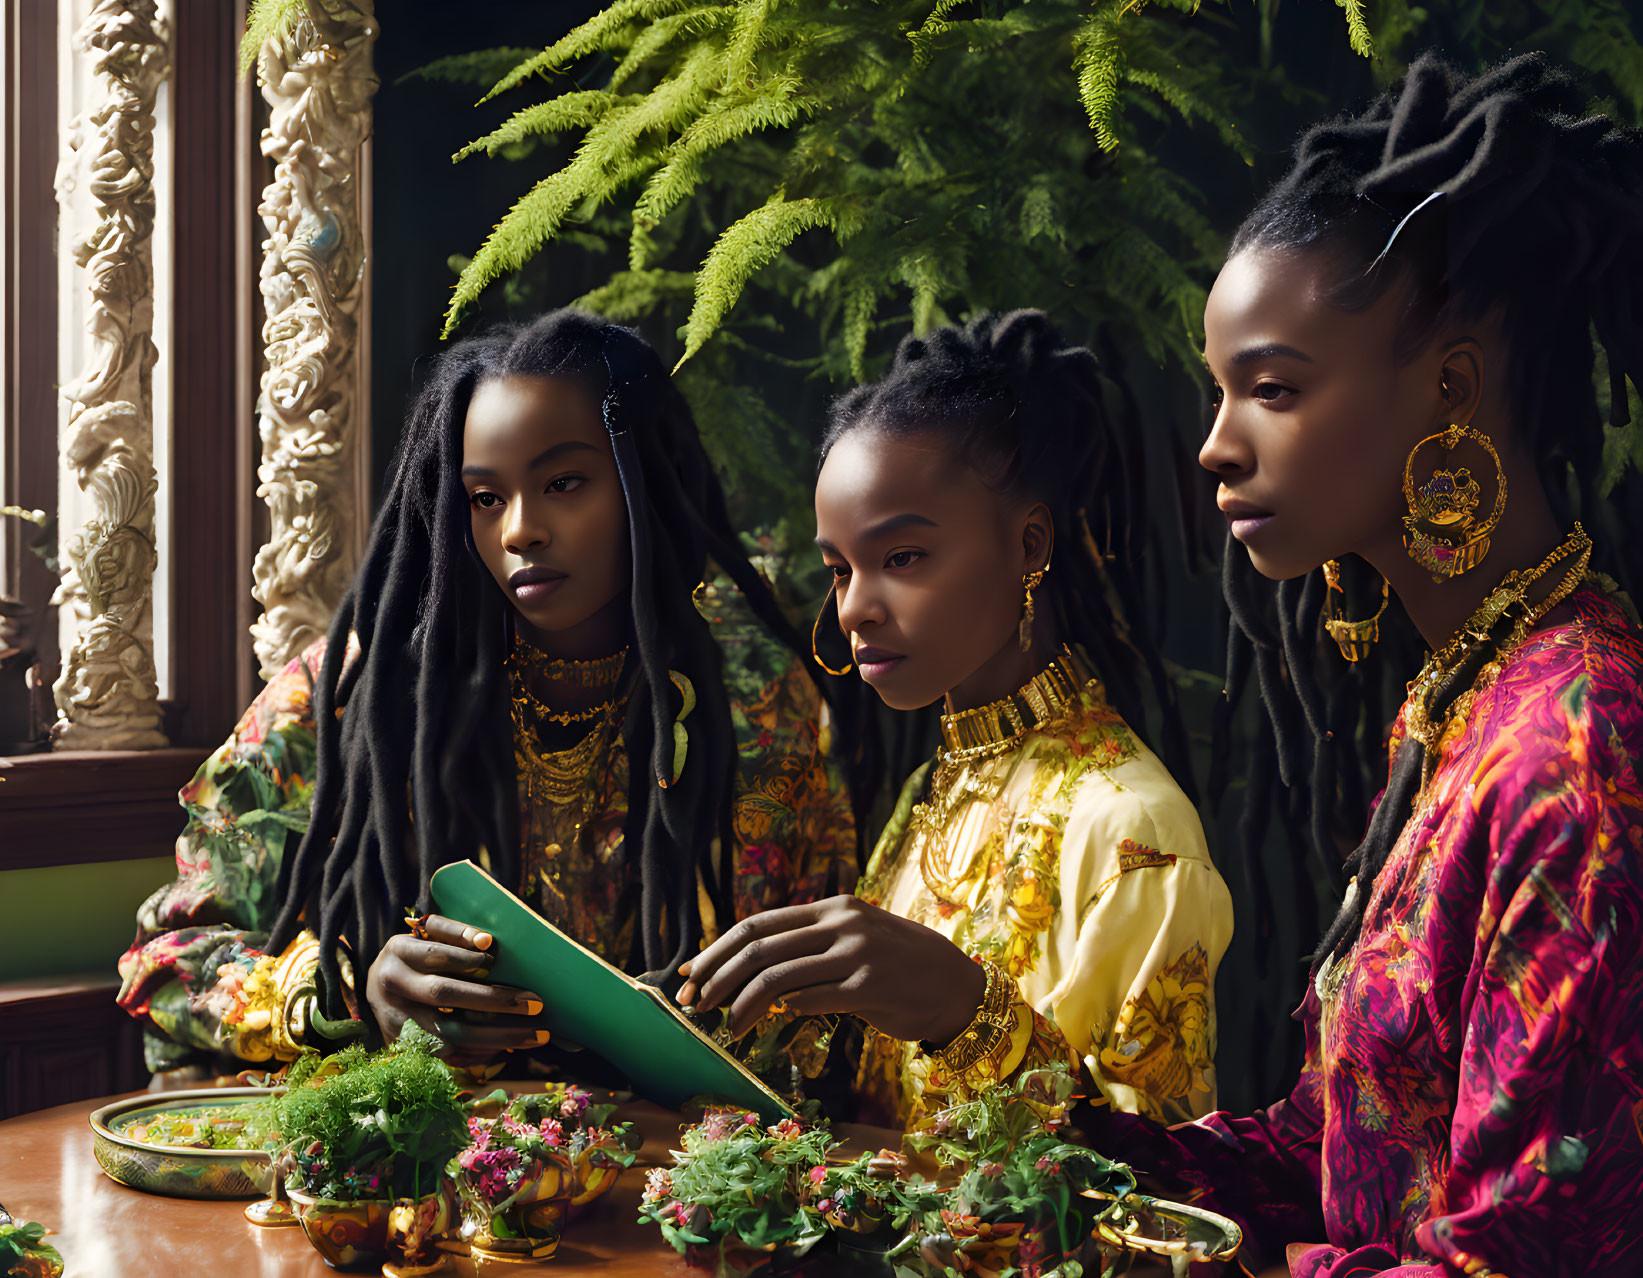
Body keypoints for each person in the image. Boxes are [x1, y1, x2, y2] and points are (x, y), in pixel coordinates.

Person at [1089, 54, 1643, 1278]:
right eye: (1216, 391)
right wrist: (1062, 1163)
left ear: (1449, 386)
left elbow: (1524, 1255)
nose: (1212, 448)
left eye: (1270, 390)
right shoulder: (1456, 702)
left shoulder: (1575, 751)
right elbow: (1344, 1151)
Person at [117, 310, 857, 1077]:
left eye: (564, 483)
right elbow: (166, 959)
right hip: (398, 1169)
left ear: (648, 483)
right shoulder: (356, 692)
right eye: (484, 497)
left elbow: (815, 1010)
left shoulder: (752, 701)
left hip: (670, 1175)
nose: (520, 531)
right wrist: (344, 997)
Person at [677, 310, 1233, 1126]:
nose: (856, 608)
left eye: (901, 558)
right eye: (840, 569)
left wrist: (966, 1014)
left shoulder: (1131, 829)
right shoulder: (939, 782)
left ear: (1028, 544)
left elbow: (1165, 1195)